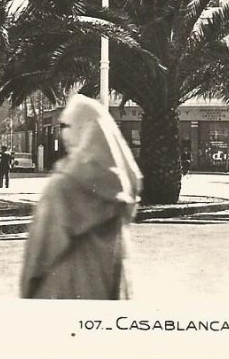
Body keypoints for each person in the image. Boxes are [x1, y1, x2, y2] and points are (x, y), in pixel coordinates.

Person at [20, 94, 142, 300]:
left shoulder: (64, 186)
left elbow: (39, 254)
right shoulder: (119, 186)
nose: (63, 133)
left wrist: (28, 291)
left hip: (66, 287)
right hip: (110, 284)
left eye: (67, 126)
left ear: (84, 130)